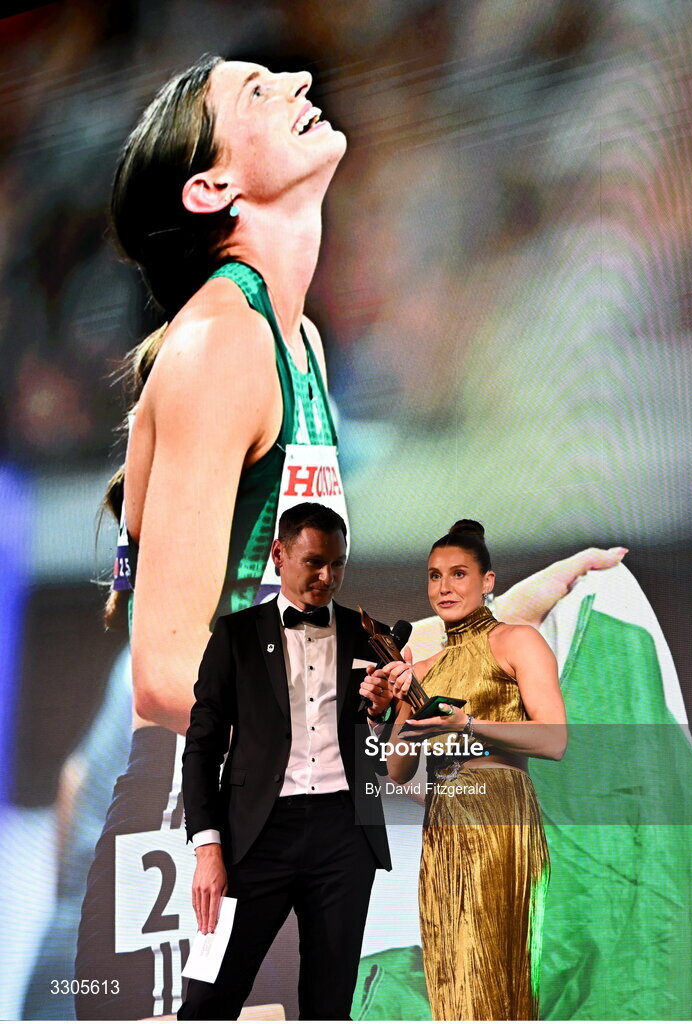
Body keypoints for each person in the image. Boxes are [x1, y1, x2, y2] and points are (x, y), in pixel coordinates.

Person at [70, 50, 627, 1020]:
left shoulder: (301, 345)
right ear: (213, 186)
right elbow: (165, 675)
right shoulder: (220, 347)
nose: (293, 80)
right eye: (254, 90)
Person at [178, 502, 394, 1020]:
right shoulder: (235, 635)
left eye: (338, 564)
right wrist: (208, 848)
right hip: (256, 835)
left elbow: (388, 757)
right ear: (278, 554)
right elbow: (202, 746)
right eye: (315, 562)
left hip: (345, 835)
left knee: (329, 1004)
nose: (327, 577)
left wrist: (384, 718)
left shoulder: (374, 636)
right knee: (209, 998)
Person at [371, 519, 567, 1021]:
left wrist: (470, 724)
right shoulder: (421, 669)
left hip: (500, 816)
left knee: (496, 971)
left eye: (459, 574)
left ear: (488, 581)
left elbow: (554, 738)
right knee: (451, 974)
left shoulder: (516, 641)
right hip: (444, 823)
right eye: (435, 576)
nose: (444, 587)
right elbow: (396, 772)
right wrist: (399, 715)